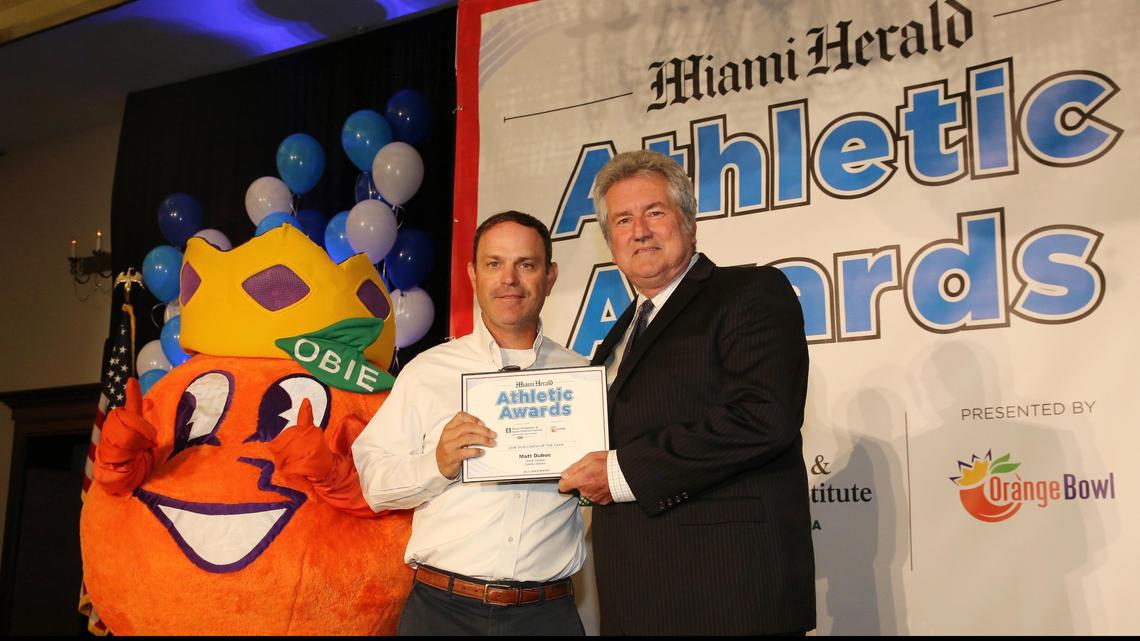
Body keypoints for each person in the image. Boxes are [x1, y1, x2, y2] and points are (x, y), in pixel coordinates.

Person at [558, 150, 816, 635]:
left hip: (726, 594)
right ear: (610, 240)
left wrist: (619, 471)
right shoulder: (622, 332)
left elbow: (765, 416)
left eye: (655, 212)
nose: (640, 230)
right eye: (622, 220)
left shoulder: (750, 292)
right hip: (638, 595)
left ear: (689, 222)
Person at [353, 211, 589, 636]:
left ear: (550, 276)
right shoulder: (428, 371)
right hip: (441, 613)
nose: (509, 279)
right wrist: (437, 463)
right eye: (494, 263)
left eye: (526, 264)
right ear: (472, 274)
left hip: (546, 616)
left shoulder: (583, 381)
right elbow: (375, 484)